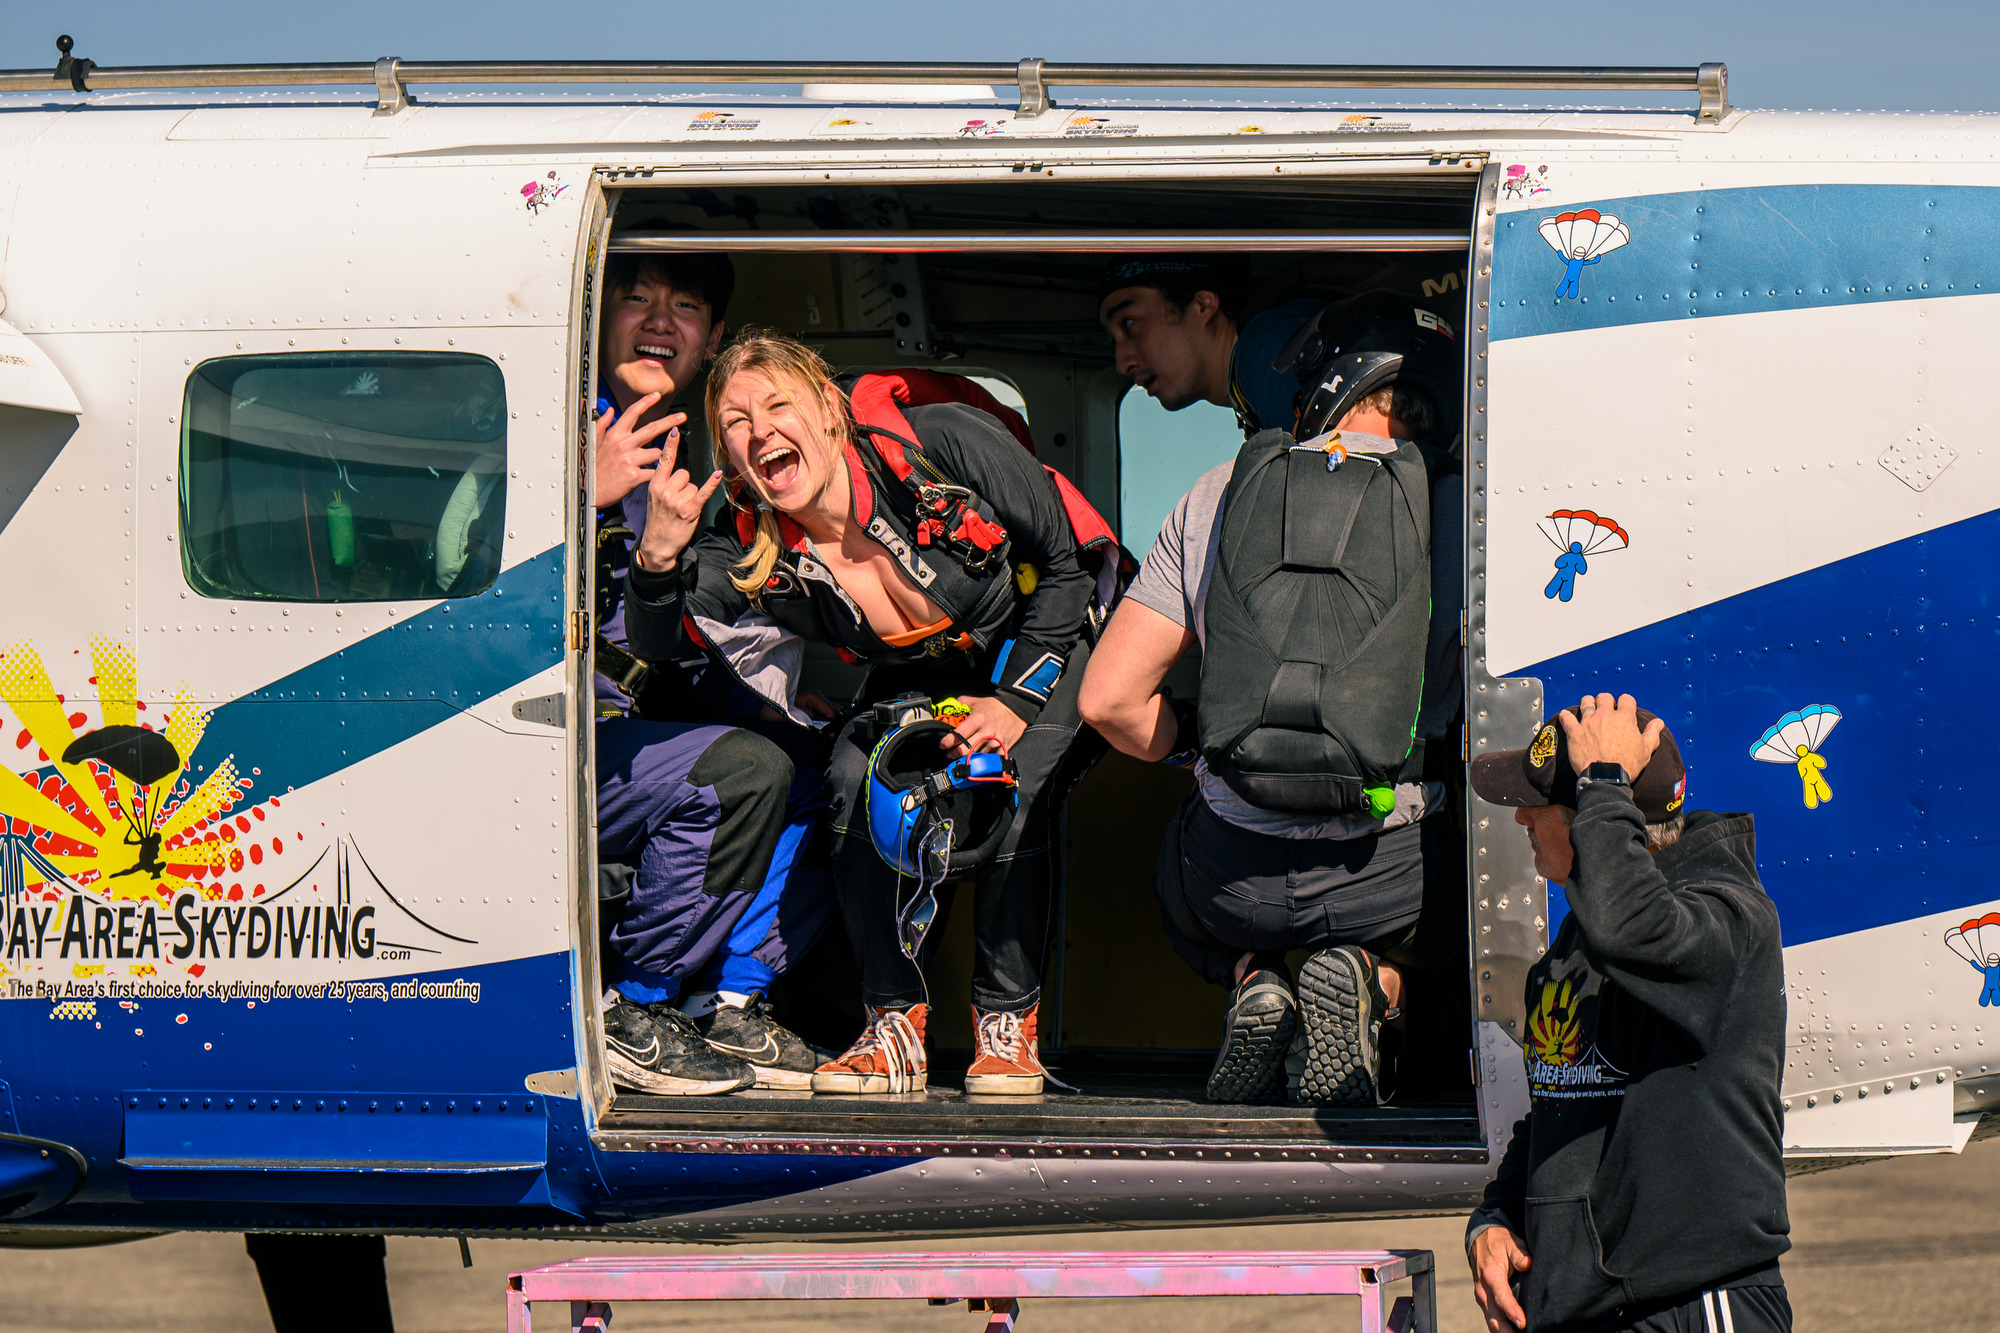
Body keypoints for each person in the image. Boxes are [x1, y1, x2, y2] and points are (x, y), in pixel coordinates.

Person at [621, 331, 1103, 1097]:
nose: (760, 431)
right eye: (737, 422)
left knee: (1011, 787)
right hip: (924, 665)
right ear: (731, 456)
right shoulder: (746, 540)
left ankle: (1006, 1025)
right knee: (852, 775)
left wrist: (1013, 702)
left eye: (778, 405)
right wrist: (655, 561)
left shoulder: (937, 441)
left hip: (1047, 629)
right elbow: (662, 646)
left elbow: (1067, 570)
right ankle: (892, 1026)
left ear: (827, 412)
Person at [1079, 288, 1467, 1107]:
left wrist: (1198, 747)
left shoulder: (1222, 488)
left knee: (1176, 871)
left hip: (1232, 876)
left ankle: (1255, 979)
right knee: (1471, 899)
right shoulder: (1465, 511)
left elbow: (1108, 701)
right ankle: (1374, 978)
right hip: (1388, 873)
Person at [1464, 694, 1791, 1333]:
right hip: (1584, 1308)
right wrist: (1497, 1217)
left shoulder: (1727, 924)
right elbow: (1559, 1107)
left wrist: (1603, 783)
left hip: (1689, 1304)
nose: (1523, 819)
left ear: (1602, 818)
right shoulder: (1577, 941)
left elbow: (1634, 930)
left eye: (1545, 806)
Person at [590, 251, 834, 1096]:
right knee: (740, 771)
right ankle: (638, 1009)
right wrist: (580, 493)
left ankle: (728, 1003)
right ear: (598, 314)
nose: (660, 320)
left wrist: (781, 708)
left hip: (634, 728)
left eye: (684, 306)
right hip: (545, 738)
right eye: (638, 299)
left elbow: (668, 638)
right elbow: (454, 574)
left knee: (818, 768)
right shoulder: (544, 430)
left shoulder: (697, 454)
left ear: (710, 338)